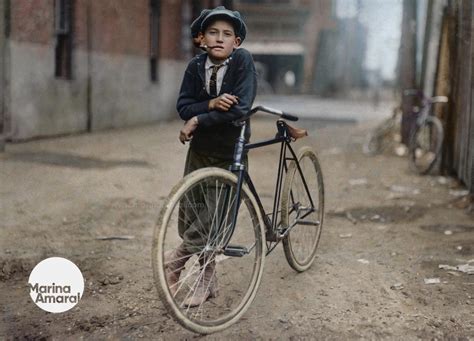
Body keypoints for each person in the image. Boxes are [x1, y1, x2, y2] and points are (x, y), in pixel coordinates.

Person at [165, 7, 257, 307]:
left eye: (227, 34)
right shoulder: (195, 66)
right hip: (200, 150)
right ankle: (210, 279)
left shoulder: (242, 62)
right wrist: (212, 104)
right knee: (193, 209)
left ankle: (177, 263)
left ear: (237, 42)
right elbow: (183, 106)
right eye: (213, 33)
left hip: (230, 150)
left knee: (214, 217)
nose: (220, 39)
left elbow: (241, 108)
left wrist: (199, 119)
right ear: (201, 39)